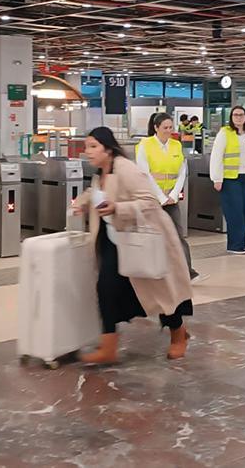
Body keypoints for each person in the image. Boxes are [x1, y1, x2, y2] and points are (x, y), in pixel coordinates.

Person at [72, 127, 193, 365]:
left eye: (94, 146)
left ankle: (178, 333)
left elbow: (149, 201)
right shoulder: (101, 173)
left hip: (141, 239)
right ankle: (108, 347)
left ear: (108, 149)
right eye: (87, 147)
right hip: (114, 239)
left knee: (159, 290)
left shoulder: (125, 168)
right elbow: (96, 193)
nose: (88, 151)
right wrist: (82, 203)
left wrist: (119, 208)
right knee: (106, 288)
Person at [137, 112, 205, 283]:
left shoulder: (176, 145)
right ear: (156, 128)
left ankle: (188, 272)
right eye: (165, 127)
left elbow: (182, 171)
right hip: (152, 198)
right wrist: (161, 197)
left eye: (170, 127)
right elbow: (145, 174)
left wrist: (174, 194)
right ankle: (150, 271)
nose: (169, 130)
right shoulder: (145, 145)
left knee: (177, 236)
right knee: (152, 236)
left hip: (171, 199)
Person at [210, 106, 245, 254]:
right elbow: (217, 156)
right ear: (231, 117)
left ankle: (242, 242)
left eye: (241, 115)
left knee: (244, 211)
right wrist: (216, 178)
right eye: (235, 115)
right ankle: (234, 245)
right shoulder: (225, 133)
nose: (238, 117)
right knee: (235, 212)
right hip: (231, 177)